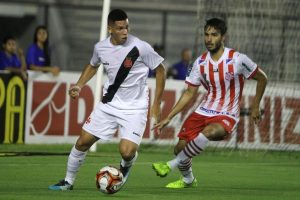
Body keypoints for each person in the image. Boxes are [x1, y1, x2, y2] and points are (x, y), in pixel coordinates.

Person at [48, 9, 166, 191]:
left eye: (126, 27)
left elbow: (160, 70)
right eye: (120, 28)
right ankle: (68, 181)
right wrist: (79, 85)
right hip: (109, 104)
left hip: (135, 108)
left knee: (126, 152)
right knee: (82, 142)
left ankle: (126, 165)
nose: (125, 31)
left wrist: (156, 103)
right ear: (110, 28)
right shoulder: (101, 47)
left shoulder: (140, 47)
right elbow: (93, 65)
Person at [152, 18, 268, 189]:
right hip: (204, 111)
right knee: (180, 147)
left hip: (227, 113)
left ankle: (171, 164)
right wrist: (169, 116)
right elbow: (189, 93)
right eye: (206, 34)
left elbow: (262, 78)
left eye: (214, 35)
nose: (209, 39)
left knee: (210, 131)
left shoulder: (237, 59)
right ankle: (188, 180)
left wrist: (255, 106)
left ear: (223, 37)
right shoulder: (198, 63)